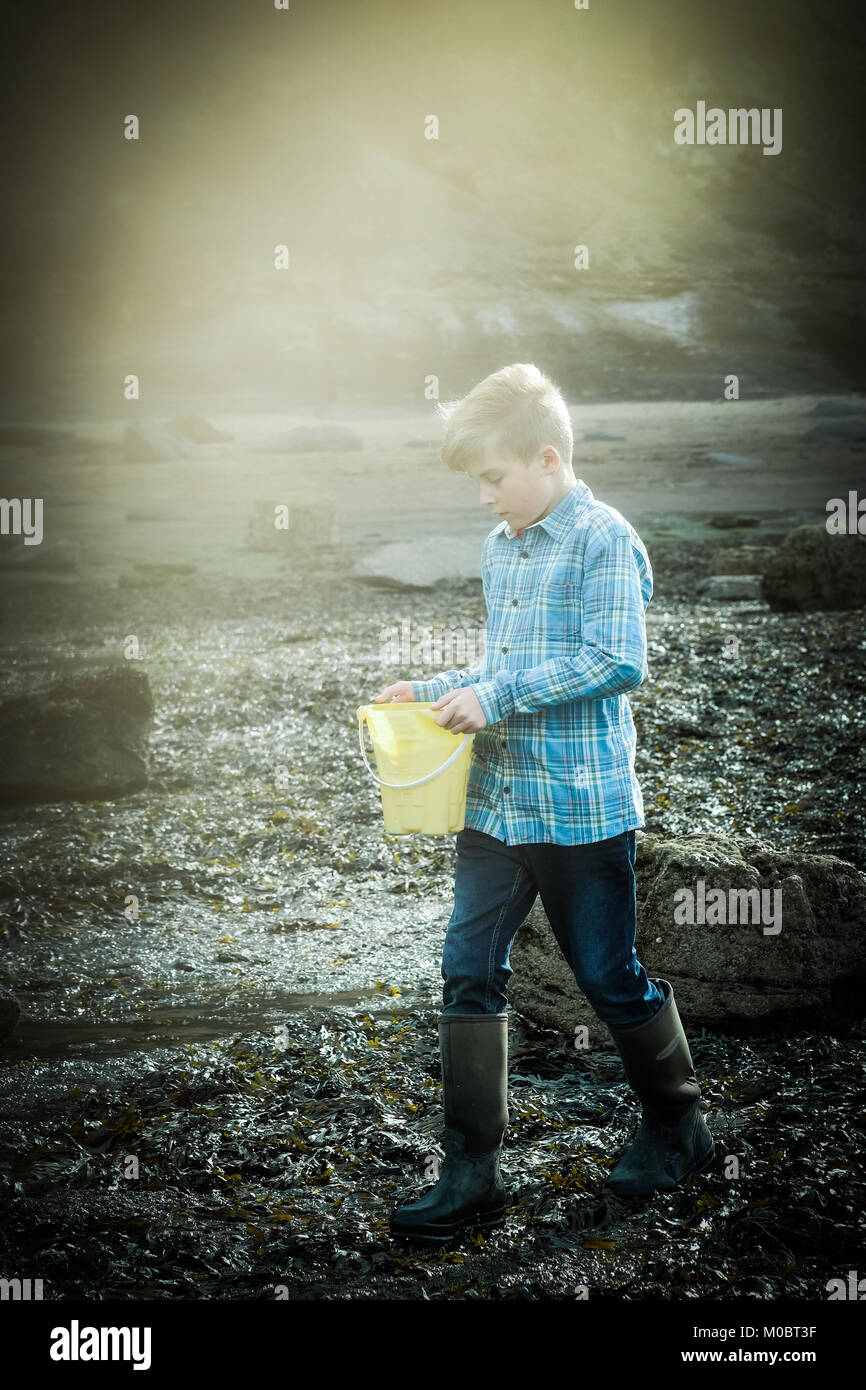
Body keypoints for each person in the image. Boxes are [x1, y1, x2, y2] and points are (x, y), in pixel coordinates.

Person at [373, 363, 713, 1243]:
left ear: (548, 458)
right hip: (495, 805)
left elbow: (617, 661)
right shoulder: (501, 548)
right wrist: (437, 686)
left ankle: (679, 1123)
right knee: (468, 968)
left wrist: (499, 697)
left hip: (582, 809)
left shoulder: (606, 539)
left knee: (606, 974)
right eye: (477, 483)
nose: (486, 498)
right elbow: (497, 669)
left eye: (494, 477)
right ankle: (471, 1170)